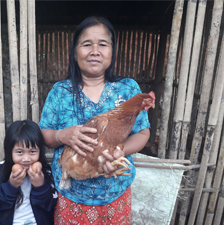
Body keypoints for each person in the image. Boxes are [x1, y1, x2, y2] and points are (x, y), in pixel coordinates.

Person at [39, 16, 151, 224]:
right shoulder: (60, 92)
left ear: (112, 51)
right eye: (87, 44)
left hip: (115, 195)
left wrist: (117, 154)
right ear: (75, 52)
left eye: (103, 44)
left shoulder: (128, 89)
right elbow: (43, 134)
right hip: (70, 195)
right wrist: (61, 135)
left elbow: (143, 132)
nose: (95, 51)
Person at [0, 120, 58, 225]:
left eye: (32, 152)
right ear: (10, 151)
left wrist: (40, 185)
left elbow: (51, 204)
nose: (26, 159)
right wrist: (11, 186)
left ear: (40, 151)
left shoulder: (46, 172)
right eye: (19, 152)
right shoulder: (0, 170)